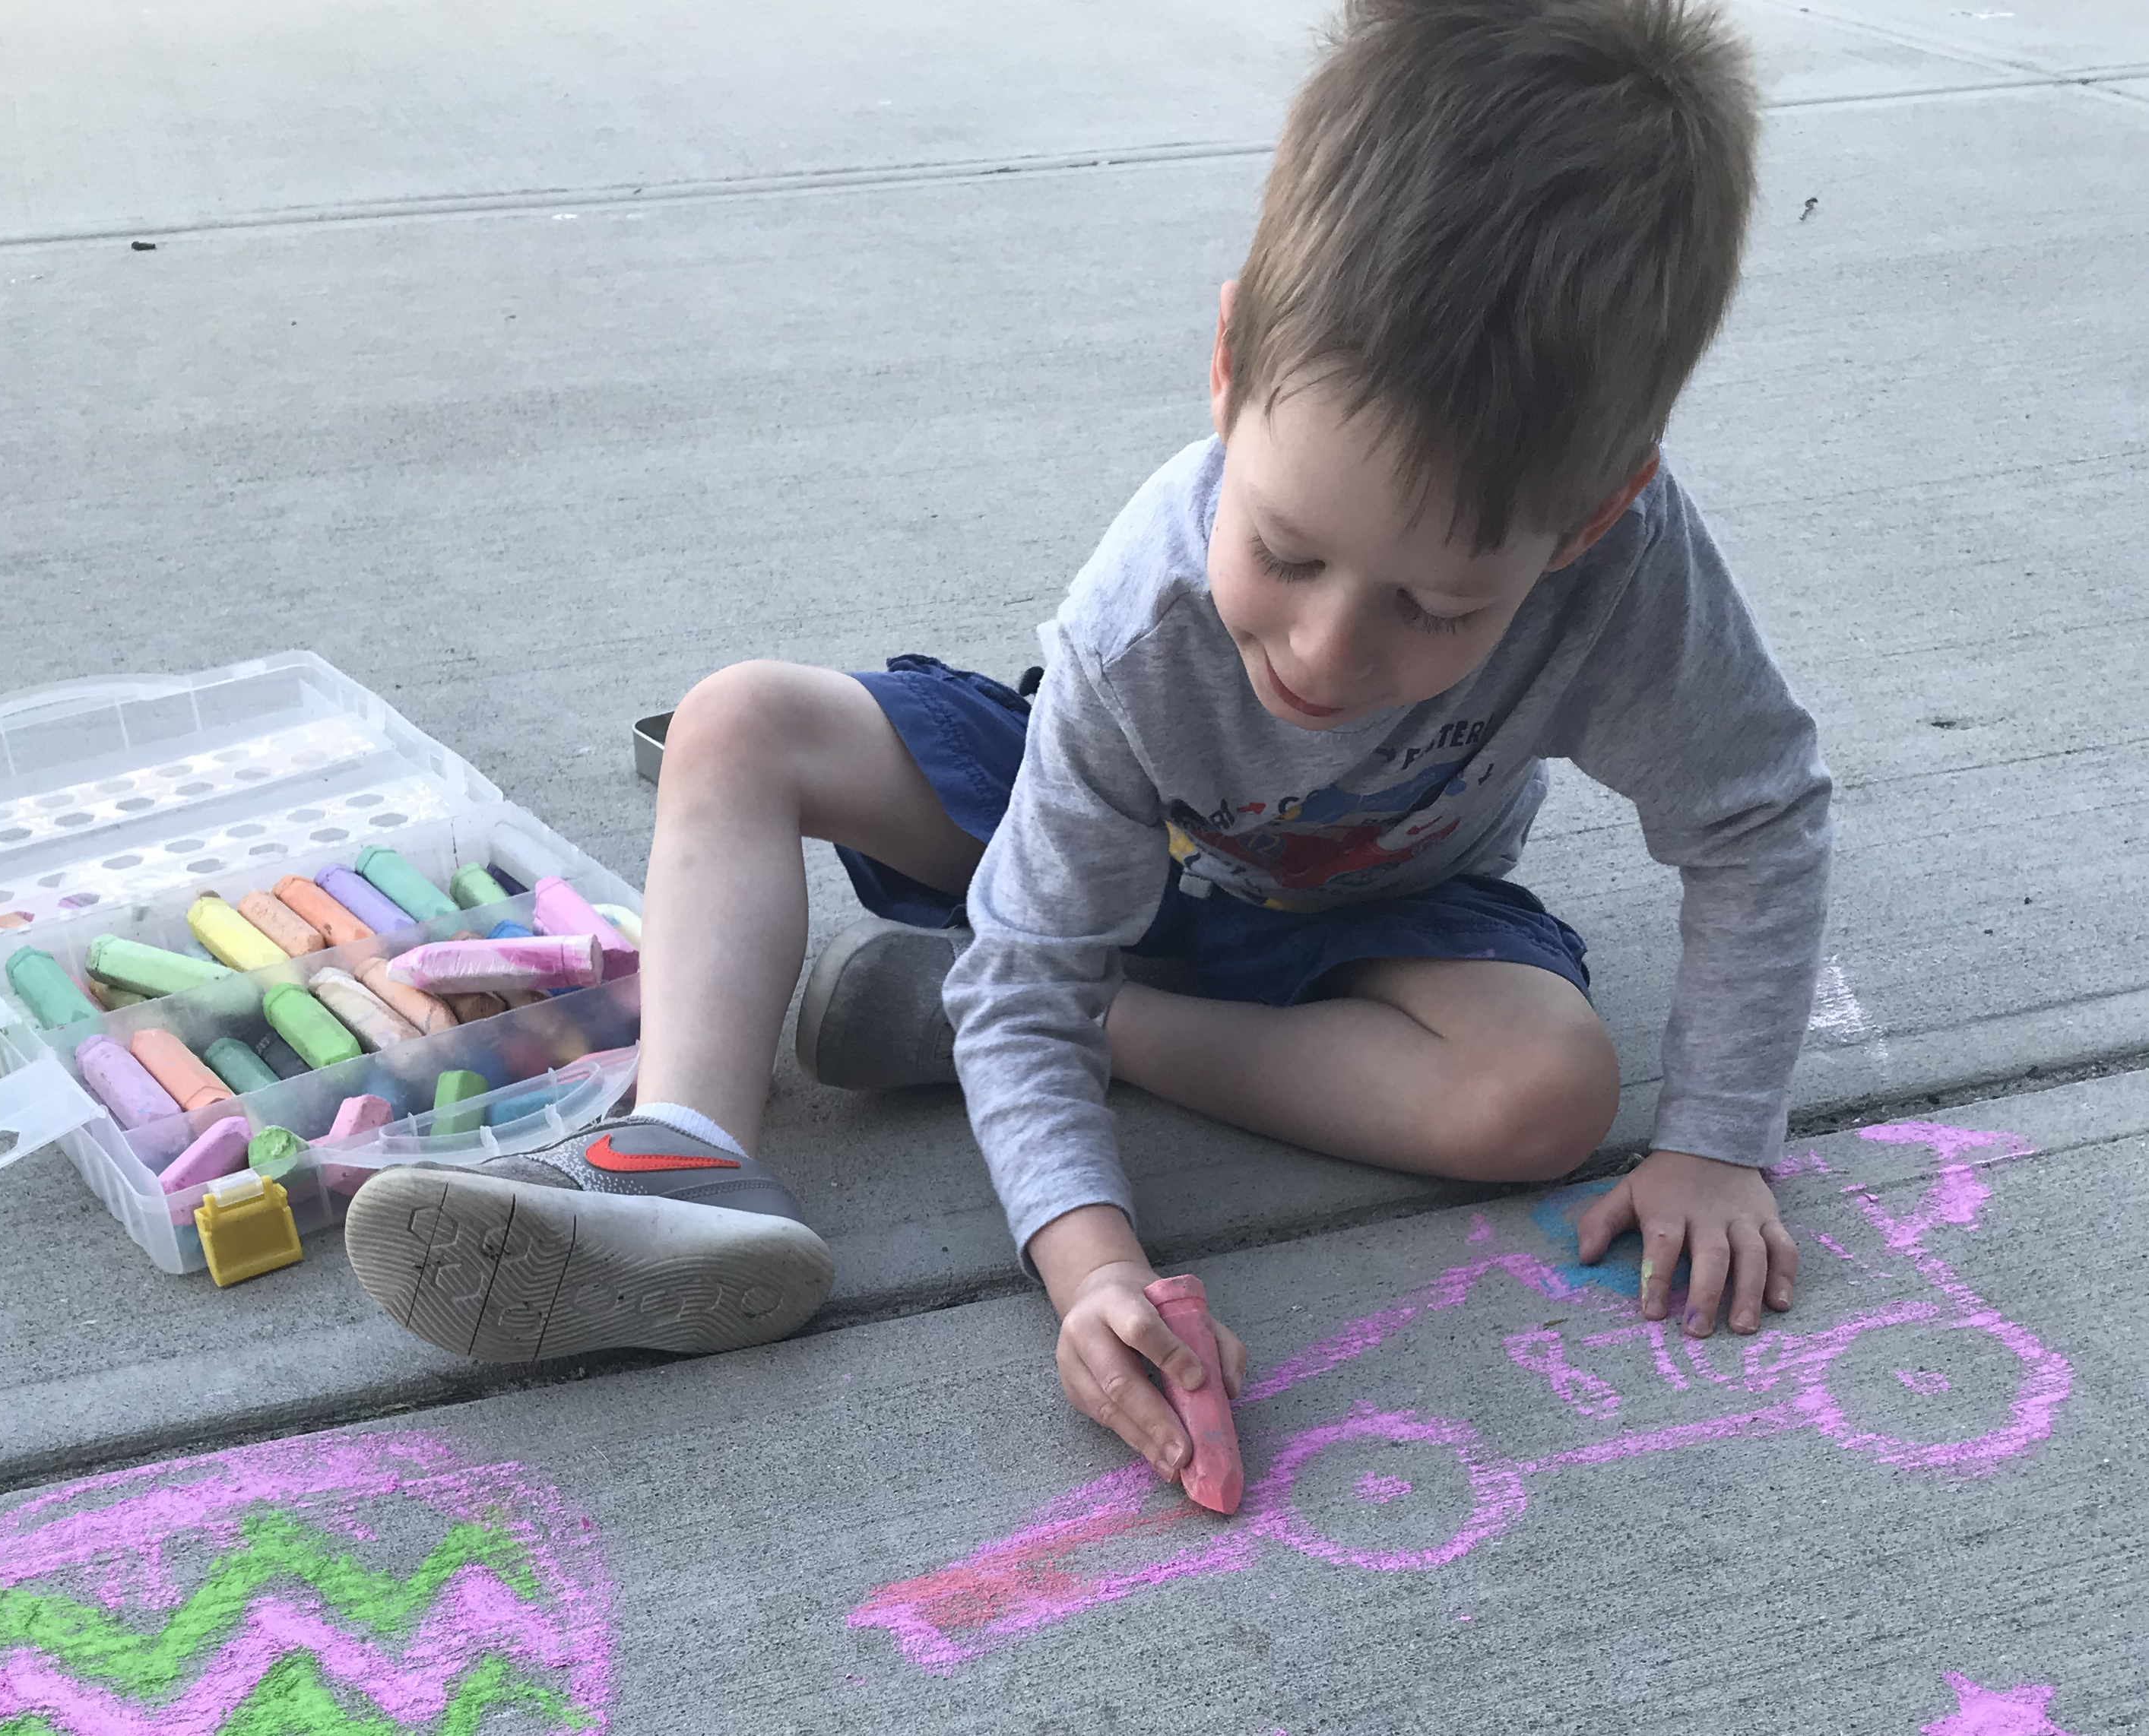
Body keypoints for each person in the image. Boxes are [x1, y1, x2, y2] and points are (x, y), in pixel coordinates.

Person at [344, 0, 1830, 1492]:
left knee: (1545, 1097)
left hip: (1369, 909)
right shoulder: (1150, 624)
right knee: (740, 724)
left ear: (1587, 519)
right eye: (1289, 549)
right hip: (1119, 812)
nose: (1325, 655)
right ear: (1234, 360)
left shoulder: (1629, 576)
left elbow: (1756, 819)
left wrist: (1714, 1139)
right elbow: (1076, 864)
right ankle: (684, 1146)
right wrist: (1093, 1269)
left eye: (1439, 609)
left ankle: (979, 998)